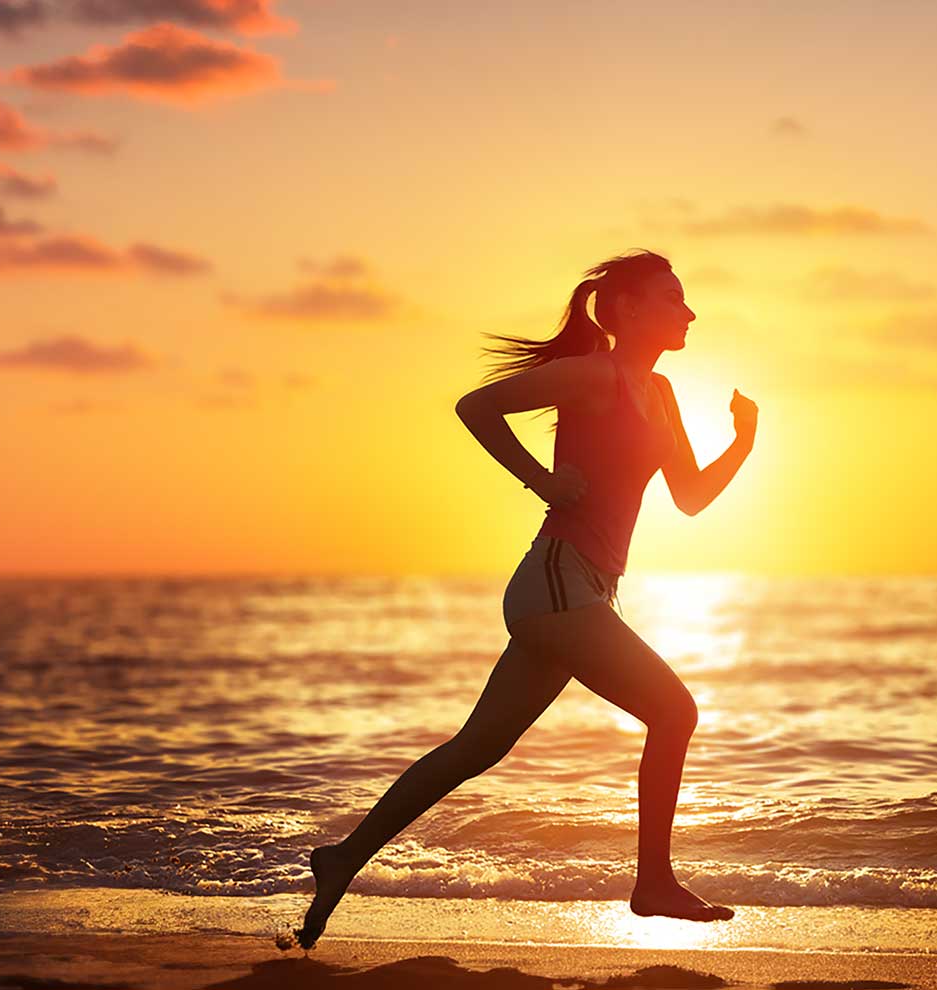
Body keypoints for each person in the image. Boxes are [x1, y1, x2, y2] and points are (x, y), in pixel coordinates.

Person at [292, 249, 758, 950]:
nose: (689, 312)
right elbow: (474, 407)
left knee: (474, 748)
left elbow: (689, 497)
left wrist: (743, 444)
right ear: (626, 309)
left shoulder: (657, 394)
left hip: (582, 591)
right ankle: (653, 882)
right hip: (555, 583)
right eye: (673, 299)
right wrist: (540, 480)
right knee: (675, 710)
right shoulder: (593, 376)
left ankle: (341, 859)